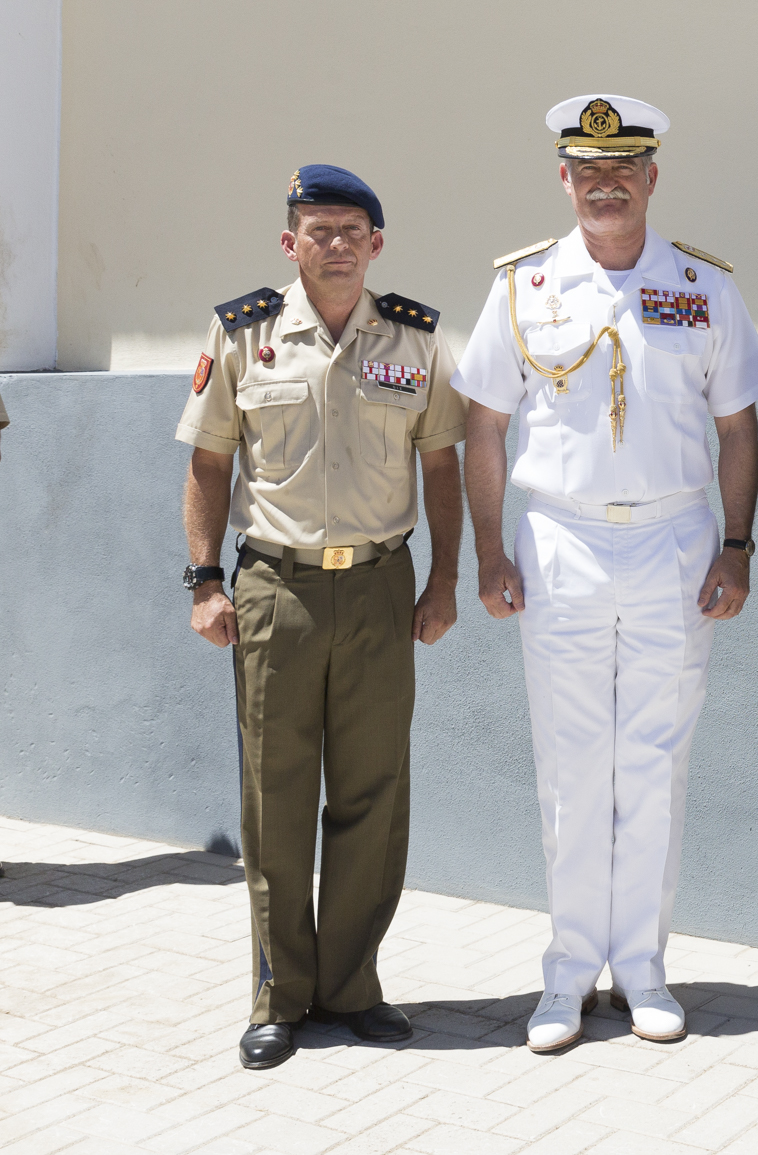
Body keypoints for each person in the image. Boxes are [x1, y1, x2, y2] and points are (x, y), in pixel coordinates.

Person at [454, 95, 758, 1053]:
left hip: (676, 542)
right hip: (562, 543)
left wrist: (734, 544)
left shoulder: (704, 287)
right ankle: (567, 972)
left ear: (650, 177)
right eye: (587, 169)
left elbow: (737, 428)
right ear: (565, 179)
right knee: (571, 763)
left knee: (655, 764)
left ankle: (641, 965)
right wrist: (490, 548)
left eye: (623, 167)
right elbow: (485, 425)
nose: (605, 183)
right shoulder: (522, 285)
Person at [175, 165, 467, 1070]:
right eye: (317, 227)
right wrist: (203, 581)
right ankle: (279, 994)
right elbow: (210, 464)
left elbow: (444, 470)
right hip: (275, 588)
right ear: (289, 241)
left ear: (376, 245)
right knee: (276, 797)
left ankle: (352, 986)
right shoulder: (242, 334)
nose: (335, 242)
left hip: (382, 584)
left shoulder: (415, 339)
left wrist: (444, 580)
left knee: (373, 794)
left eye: (352, 230)